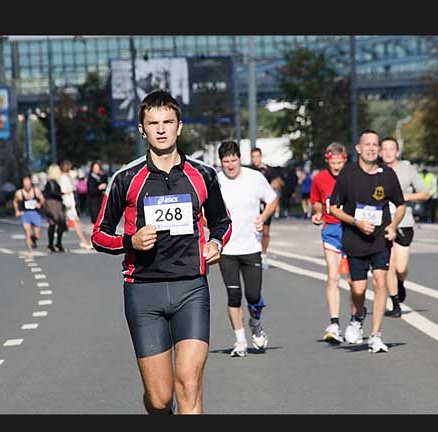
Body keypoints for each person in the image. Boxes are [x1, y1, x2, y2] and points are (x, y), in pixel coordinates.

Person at [91, 90, 232, 414]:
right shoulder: (126, 178)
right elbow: (99, 235)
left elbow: (222, 222)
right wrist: (131, 242)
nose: (161, 129)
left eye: (168, 122)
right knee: (160, 399)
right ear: (142, 130)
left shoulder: (202, 175)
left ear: (179, 127)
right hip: (144, 291)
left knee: (189, 384)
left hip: (191, 288)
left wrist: (216, 243)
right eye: (153, 123)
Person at [329, 130, 406, 353]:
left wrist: (393, 226)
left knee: (380, 282)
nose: (371, 148)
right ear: (358, 148)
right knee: (358, 288)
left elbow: (401, 205)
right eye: (367, 144)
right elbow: (334, 208)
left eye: (375, 144)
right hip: (355, 238)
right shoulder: (348, 174)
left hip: (381, 239)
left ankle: (376, 335)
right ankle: (358, 316)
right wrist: (356, 222)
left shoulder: (387, 175)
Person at [216, 141, 278, 357]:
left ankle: (256, 323)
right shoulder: (216, 180)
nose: (230, 165)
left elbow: (272, 200)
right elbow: (203, 208)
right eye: (226, 161)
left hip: (251, 246)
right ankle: (240, 340)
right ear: (221, 162)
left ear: (240, 159)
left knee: (253, 296)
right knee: (233, 296)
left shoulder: (254, 178)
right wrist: (211, 227)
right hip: (227, 249)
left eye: (234, 160)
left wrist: (263, 217)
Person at [379, 137, 430, 318]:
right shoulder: (376, 170)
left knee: (400, 268)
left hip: (404, 222)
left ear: (397, 152)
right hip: (383, 222)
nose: (388, 153)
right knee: (389, 265)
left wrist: (404, 198)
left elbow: (425, 193)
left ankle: (400, 283)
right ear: (380, 152)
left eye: (391, 149)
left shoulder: (408, 170)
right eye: (384, 149)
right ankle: (395, 304)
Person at [309, 142, 355, 343]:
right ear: (327, 161)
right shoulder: (319, 179)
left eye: (339, 163)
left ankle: (355, 321)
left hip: (352, 230)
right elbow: (316, 201)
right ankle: (334, 323)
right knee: (333, 277)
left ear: (345, 160)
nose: (336, 167)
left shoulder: (353, 176)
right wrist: (318, 213)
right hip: (331, 231)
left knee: (354, 280)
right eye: (332, 163)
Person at [249, 147, 283, 269]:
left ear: (261, 157)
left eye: (257, 156)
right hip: (253, 205)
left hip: (265, 205)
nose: (256, 159)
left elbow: (279, 183)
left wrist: (271, 186)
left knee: (265, 231)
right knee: (253, 230)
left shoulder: (268, 170)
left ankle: (263, 255)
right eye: (253, 157)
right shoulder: (248, 170)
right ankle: (253, 255)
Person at [60, 160, 92, 249]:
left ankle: (82, 240)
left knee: (75, 222)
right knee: (75, 222)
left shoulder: (68, 177)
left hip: (71, 201)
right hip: (68, 202)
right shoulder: (64, 178)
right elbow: (64, 190)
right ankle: (83, 241)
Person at [12, 175, 46, 252]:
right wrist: (17, 211)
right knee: (27, 232)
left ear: (31, 184)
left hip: (35, 214)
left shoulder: (36, 191)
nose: (27, 186)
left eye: (28, 184)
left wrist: (40, 204)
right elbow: (15, 201)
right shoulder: (19, 193)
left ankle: (33, 239)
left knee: (37, 235)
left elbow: (42, 199)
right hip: (25, 214)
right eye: (25, 184)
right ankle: (30, 250)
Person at [42, 164, 67, 252]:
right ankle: (53, 244)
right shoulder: (51, 183)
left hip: (55, 205)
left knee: (58, 224)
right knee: (54, 224)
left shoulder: (55, 182)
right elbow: (50, 193)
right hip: (53, 205)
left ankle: (56, 243)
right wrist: (61, 193)